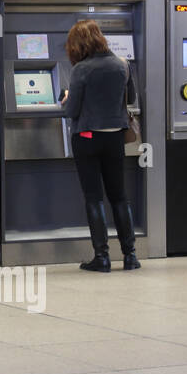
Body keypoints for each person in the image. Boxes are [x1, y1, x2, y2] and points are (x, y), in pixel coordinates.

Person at [61, 18, 140, 272]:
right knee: (119, 196)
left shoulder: (81, 70)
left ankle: (102, 258)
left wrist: (66, 98)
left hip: (87, 138)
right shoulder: (122, 65)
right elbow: (132, 97)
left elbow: (71, 111)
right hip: (115, 137)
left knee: (94, 198)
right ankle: (130, 256)